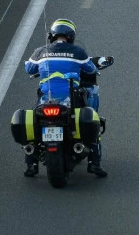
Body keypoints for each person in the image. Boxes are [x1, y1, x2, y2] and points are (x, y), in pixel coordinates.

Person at [24, 18, 107, 177]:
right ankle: (94, 163)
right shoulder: (78, 52)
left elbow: (29, 68)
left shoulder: (41, 51)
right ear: (71, 35)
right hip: (71, 98)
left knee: (33, 120)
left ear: (52, 35)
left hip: (46, 98)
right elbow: (90, 69)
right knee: (93, 119)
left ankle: (31, 165)